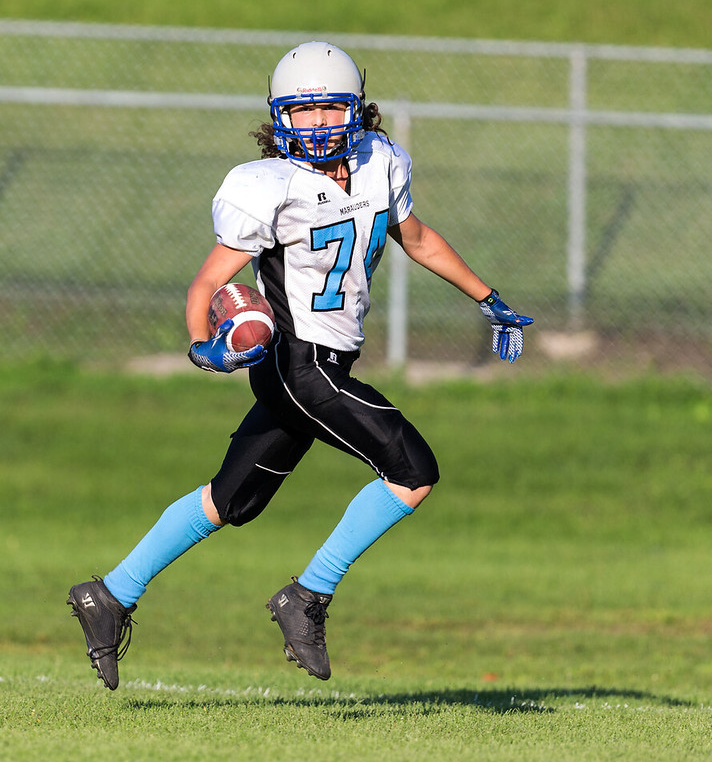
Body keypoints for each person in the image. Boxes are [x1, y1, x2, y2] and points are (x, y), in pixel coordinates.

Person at [67, 41, 533, 689]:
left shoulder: (380, 163)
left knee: (229, 502)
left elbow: (418, 238)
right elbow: (207, 283)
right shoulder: (266, 185)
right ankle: (307, 596)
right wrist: (202, 344)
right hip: (299, 363)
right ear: (279, 116)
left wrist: (489, 298)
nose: (314, 124)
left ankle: (110, 594)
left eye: (327, 110)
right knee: (413, 472)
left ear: (356, 110)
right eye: (300, 111)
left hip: (326, 361)